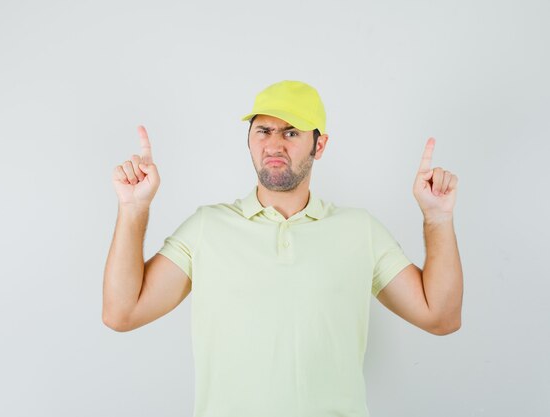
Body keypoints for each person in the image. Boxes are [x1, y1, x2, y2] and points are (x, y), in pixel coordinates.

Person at [102, 80, 463, 417]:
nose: (274, 144)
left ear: (319, 145)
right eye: (263, 131)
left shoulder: (359, 230)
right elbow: (122, 313)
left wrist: (437, 218)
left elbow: (440, 317)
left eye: (291, 132)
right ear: (249, 140)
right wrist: (134, 209)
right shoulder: (207, 228)